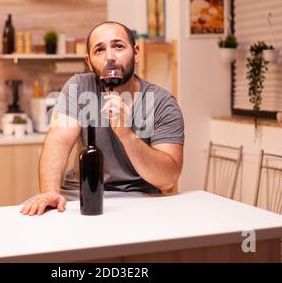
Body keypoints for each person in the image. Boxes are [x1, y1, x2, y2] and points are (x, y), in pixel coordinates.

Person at [21, 21, 184, 216]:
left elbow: (167, 179)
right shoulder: (79, 87)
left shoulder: (162, 102)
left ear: (136, 53)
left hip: (139, 199)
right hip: (79, 194)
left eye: (118, 46)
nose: (110, 57)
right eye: (100, 50)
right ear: (89, 62)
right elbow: (59, 141)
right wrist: (49, 191)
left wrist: (127, 135)